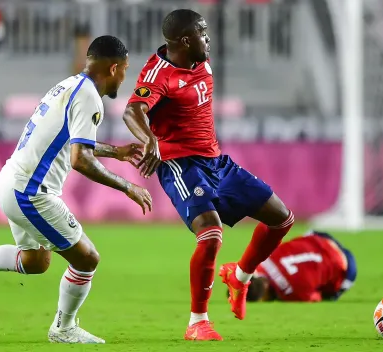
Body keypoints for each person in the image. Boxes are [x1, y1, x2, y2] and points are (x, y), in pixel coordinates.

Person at [0, 35, 152, 344]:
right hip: (30, 192)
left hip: (9, 179)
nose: (124, 77)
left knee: (35, 262)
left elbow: (71, 142)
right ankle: (64, 329)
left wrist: (114, 152)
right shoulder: (89, 96)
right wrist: (127, 186)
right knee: (87, 259)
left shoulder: (68, 85)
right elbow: (80, 160)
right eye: (125, 70)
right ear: (114, 68)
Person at [122, 9, 294, 341]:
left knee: (282, 219)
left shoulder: (199, 61)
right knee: (211, 234)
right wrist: (151, 141)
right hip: (180, 164)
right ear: (185, 40)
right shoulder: (159, 74)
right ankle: (197, 322)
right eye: (202, 33)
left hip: (216, 162)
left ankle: (240, 277)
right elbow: (132, 110)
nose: (208, 38)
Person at [241, 230, 357, 302]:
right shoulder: (262, 261)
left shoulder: (291, 294)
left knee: (329, 297)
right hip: (322, 237)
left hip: (346, 267)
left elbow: (316, 297)